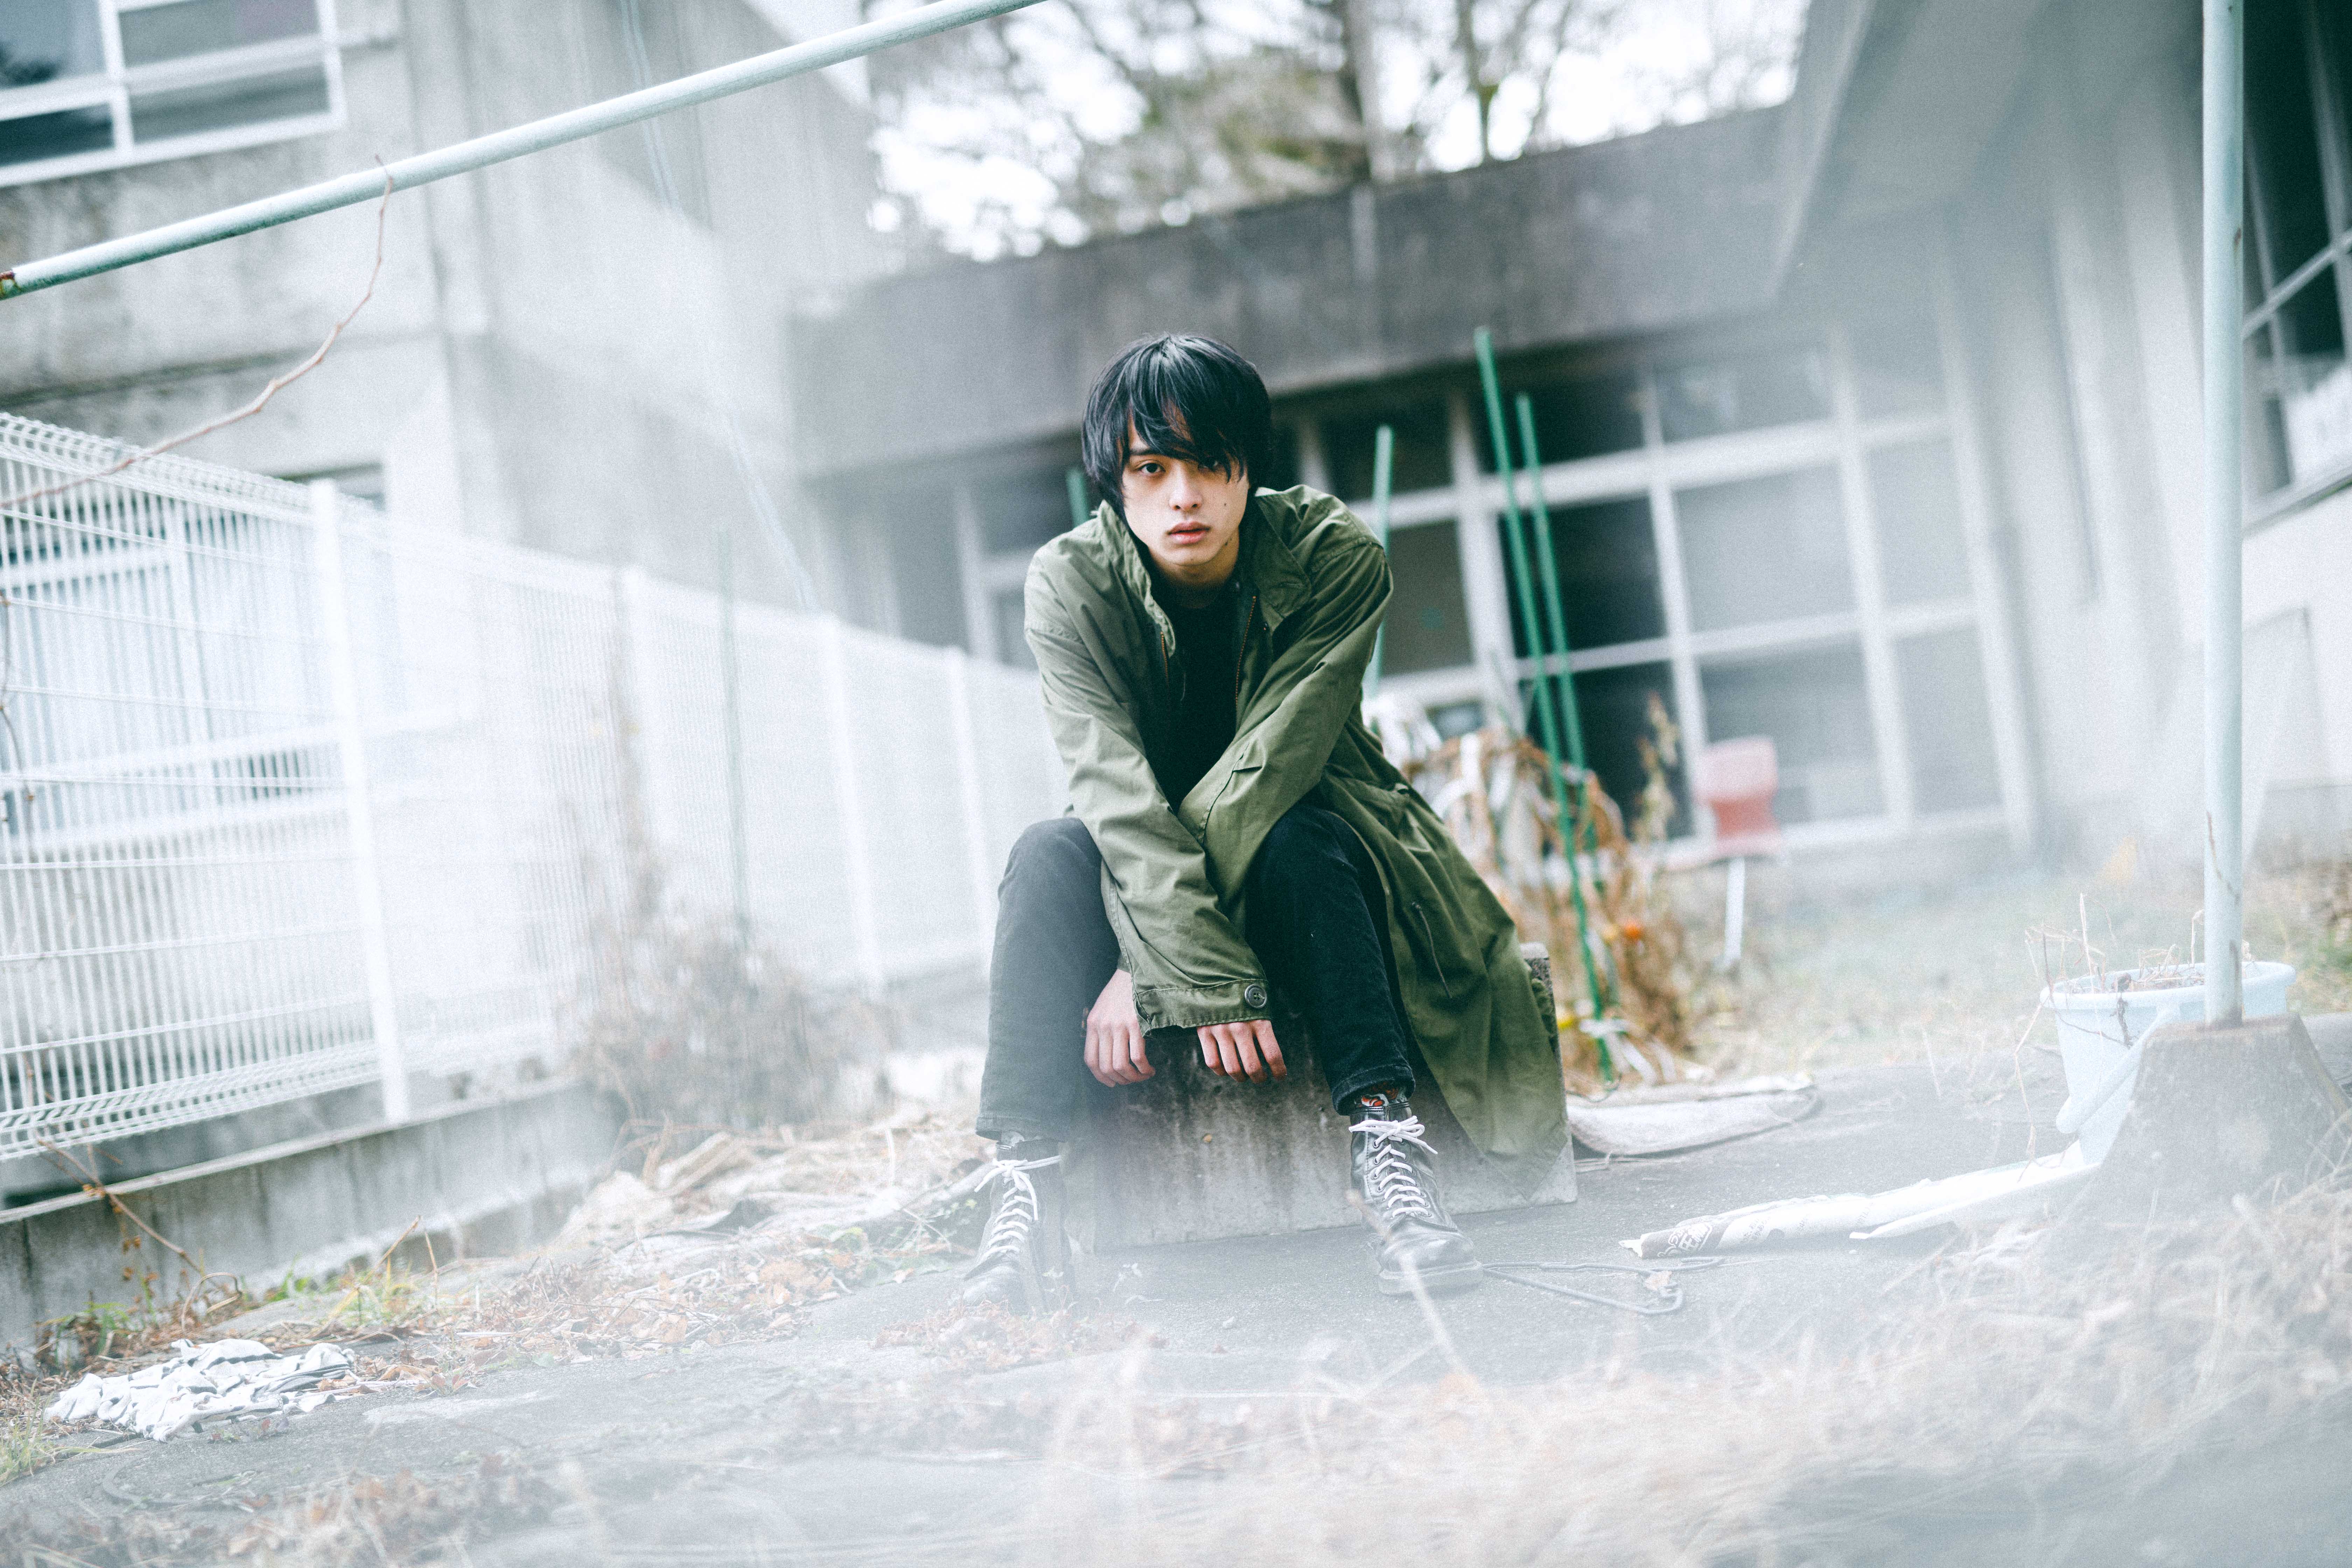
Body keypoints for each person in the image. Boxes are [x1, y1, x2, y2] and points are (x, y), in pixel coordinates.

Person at [962, 334, 1567, 1312]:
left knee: (1297, 837)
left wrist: (1151, 968)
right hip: (1142, 859)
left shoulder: (1333, 557)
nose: (1185, 497)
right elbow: (1112, 788)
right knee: (1046, 853)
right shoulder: (1070, 585)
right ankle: (1024, 1193)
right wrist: (1169, 953)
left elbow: (1269, 771)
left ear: (1250, 466)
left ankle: (1390, 1156)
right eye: (1152, 469)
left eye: (1211, 463)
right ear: (1115, 480)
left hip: (1319, 835)